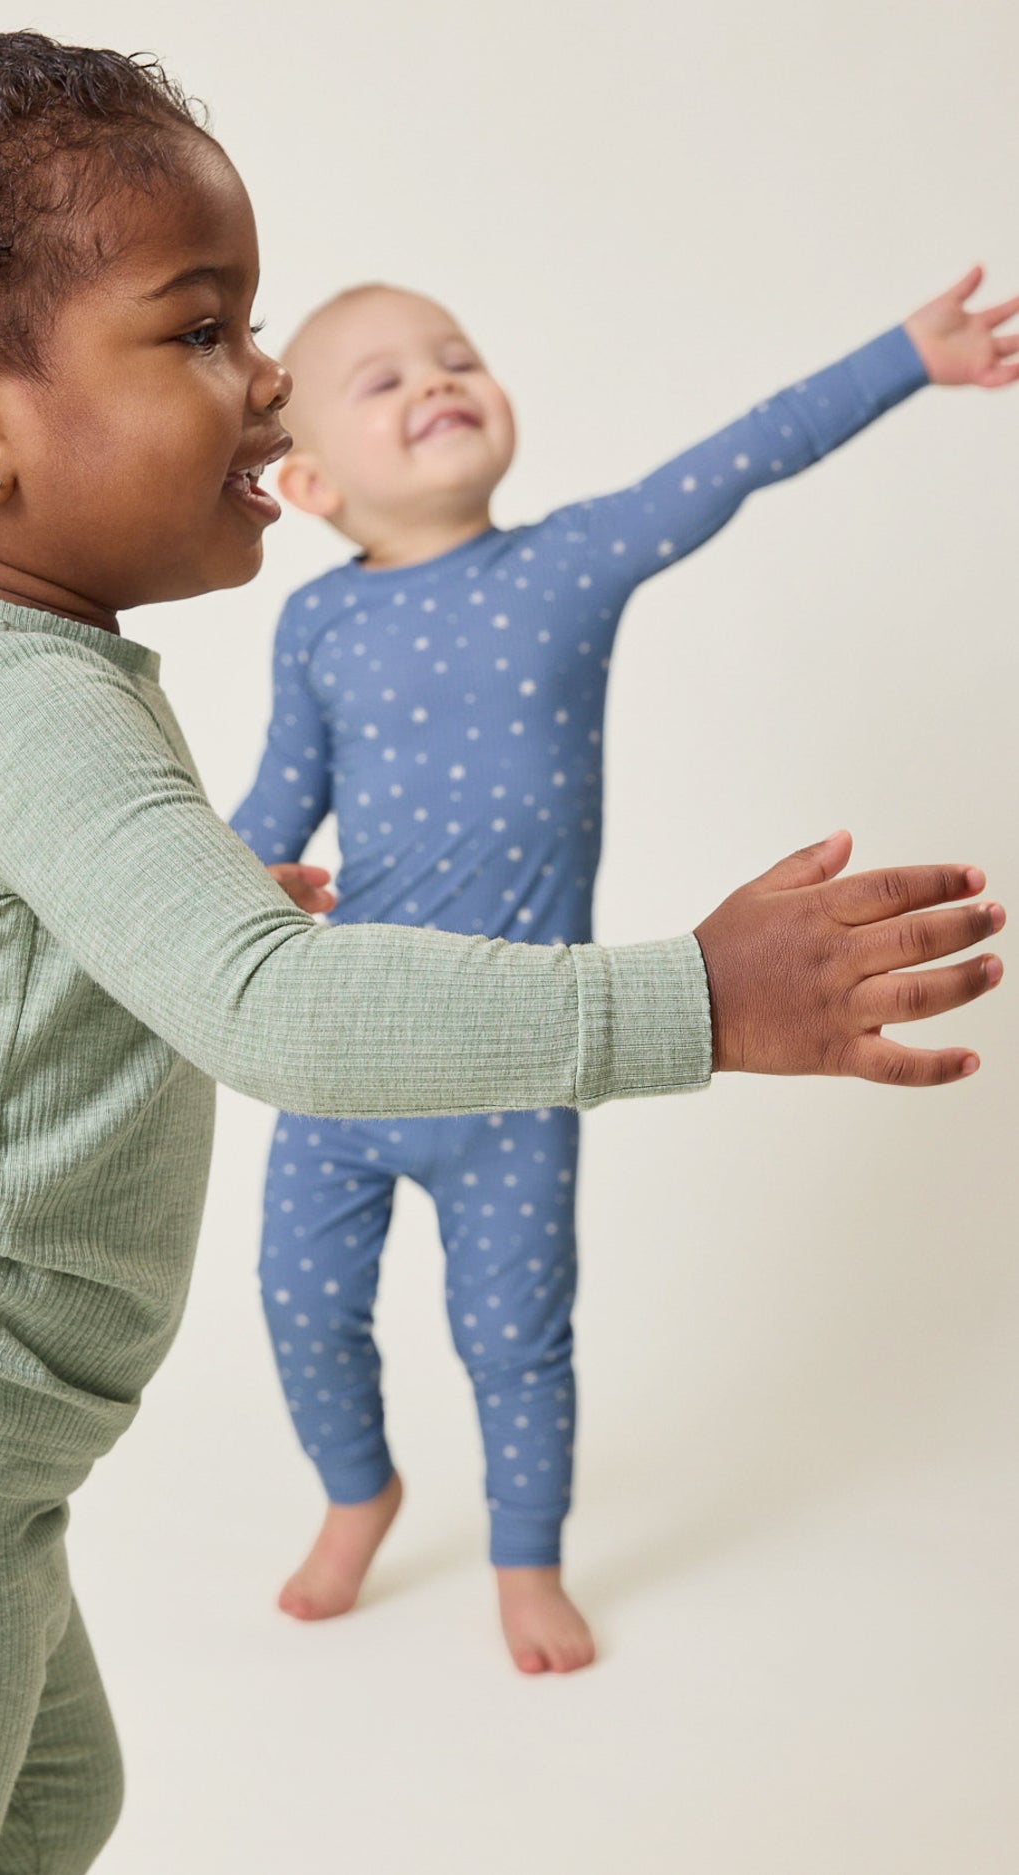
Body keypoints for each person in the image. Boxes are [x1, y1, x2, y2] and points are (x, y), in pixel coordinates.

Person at [0, 3, 1001, 1869]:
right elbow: (286, 1022)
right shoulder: (22, 701)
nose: (267, 381)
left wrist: (184, 909)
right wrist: (700, 998)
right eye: (200, 329)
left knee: (57, 1806)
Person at [231, 276, 1018, 1672]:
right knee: (302, 1305)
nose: (435, 381)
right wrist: (215, 894)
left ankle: (526, 1562)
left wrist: (908, 354)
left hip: (523, 1066)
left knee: (518, 1342)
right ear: (309, 482)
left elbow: (741, 455)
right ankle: (361, 1495)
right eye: (384, 380)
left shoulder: (571, 563)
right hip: (345, 1052)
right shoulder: (318, 628)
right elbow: (274, 808)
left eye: (457, 355)